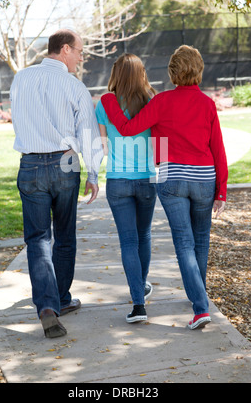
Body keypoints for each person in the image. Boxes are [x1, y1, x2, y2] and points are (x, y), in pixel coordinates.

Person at [101, 45, 228, 330]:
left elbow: (127, 128)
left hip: (172, 180)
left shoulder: (162, 102)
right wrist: (222, 190)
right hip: (205, 178)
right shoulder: (207, 103)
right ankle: (199, 299)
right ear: (199, 70)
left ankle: (200, 307)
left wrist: (110, 101)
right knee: (201, 241)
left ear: (172, 73)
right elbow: (217, 148)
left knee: (184, 243)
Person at [10, 29, 103, 338]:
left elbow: (18, 117)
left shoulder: (21, 79)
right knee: (64, 236)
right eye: (78, 51)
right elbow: (88, 134)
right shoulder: (74, 86)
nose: (80, 57)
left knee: (38, 239)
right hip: (65, 165)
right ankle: (60, 300)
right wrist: (92, 173)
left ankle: (48, 307)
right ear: (64, 49)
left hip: (31, 164)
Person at [95, 53, 157, 323]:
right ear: (141, 73)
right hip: (146, 178)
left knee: (129, 241)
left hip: (118, 179)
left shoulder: (104, 104)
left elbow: (103, 146)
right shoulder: (152, 101)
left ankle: (138, 303)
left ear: (116, 74)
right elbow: (158, 141)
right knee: (143, 236)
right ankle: (139, 288)